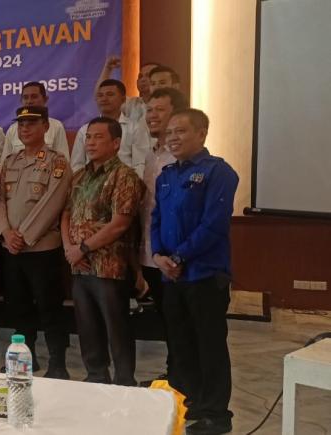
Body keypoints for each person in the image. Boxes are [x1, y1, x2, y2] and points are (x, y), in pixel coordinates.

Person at [151, 108, 237, 435]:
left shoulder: (219, 172)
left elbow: (213, 225)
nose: (172, 137)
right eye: (169, 132)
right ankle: (192, 404)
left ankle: (216, 414)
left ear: (201, 134)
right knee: (181, 345)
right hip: (172, 276)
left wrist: (179, 257)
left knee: (209, 345)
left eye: (181, 131)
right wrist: (159, 256)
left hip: (204, 275)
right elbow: (156, 220)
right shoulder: (166, 175)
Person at [61, 117, 144, 386]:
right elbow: (66, 214)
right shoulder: (80, 176)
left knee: (116, 328)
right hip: (79, 265)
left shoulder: (124, 176)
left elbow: (120, 223)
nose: (91, 142)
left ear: (116, 143)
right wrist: (70, 249)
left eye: (98, 137)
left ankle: (124, 382)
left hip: (109, 267)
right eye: (89, 137)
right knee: (87, 328)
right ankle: (96, 377)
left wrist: (83, 248)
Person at [0, 106, 73, 379]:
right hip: (11, 248)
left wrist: (24, 235)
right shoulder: (10, 161)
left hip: (41, 249)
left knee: (50, 308)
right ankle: (25, 360)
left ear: (45, 127)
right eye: (21, 124)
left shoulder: (56, 161)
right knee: (18, 307)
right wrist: (7, 233)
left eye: (31, 123)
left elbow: (53, 202)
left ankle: (57, 363)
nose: (25, 128)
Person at [138, 88, 189, 377]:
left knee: (182, 321)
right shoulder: (151, 155)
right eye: (149, 110)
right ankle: (174, 374)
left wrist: (175, 255)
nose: (152, 116)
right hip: (150, 252)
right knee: (167, 319)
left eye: (159, 109)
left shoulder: (182, 157)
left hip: (174, 257)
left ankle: (184, 379)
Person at [71, 79, 151, 176]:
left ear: (123, 99)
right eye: (100, 95)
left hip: (125, 181)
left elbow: (140, 163)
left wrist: (130, 183)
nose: (104, 99)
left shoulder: (135, 128)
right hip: (91, 182)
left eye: (110, 94)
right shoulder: (84, 130)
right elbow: (77, 165)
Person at [3, 82, 71, 161]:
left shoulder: (56, 126)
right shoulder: (12, 129)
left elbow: (63, 160)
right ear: (21, 101)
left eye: (34, 97)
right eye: (25, 98)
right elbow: (4, 162)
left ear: (45, 99)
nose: (29, 101)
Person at [96, 56, 161, 122]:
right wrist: (108, 68)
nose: (143, 79)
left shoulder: (166, 105)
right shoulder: (131, 104)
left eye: (148, 75)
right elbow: (100, 93)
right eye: (140, 76)